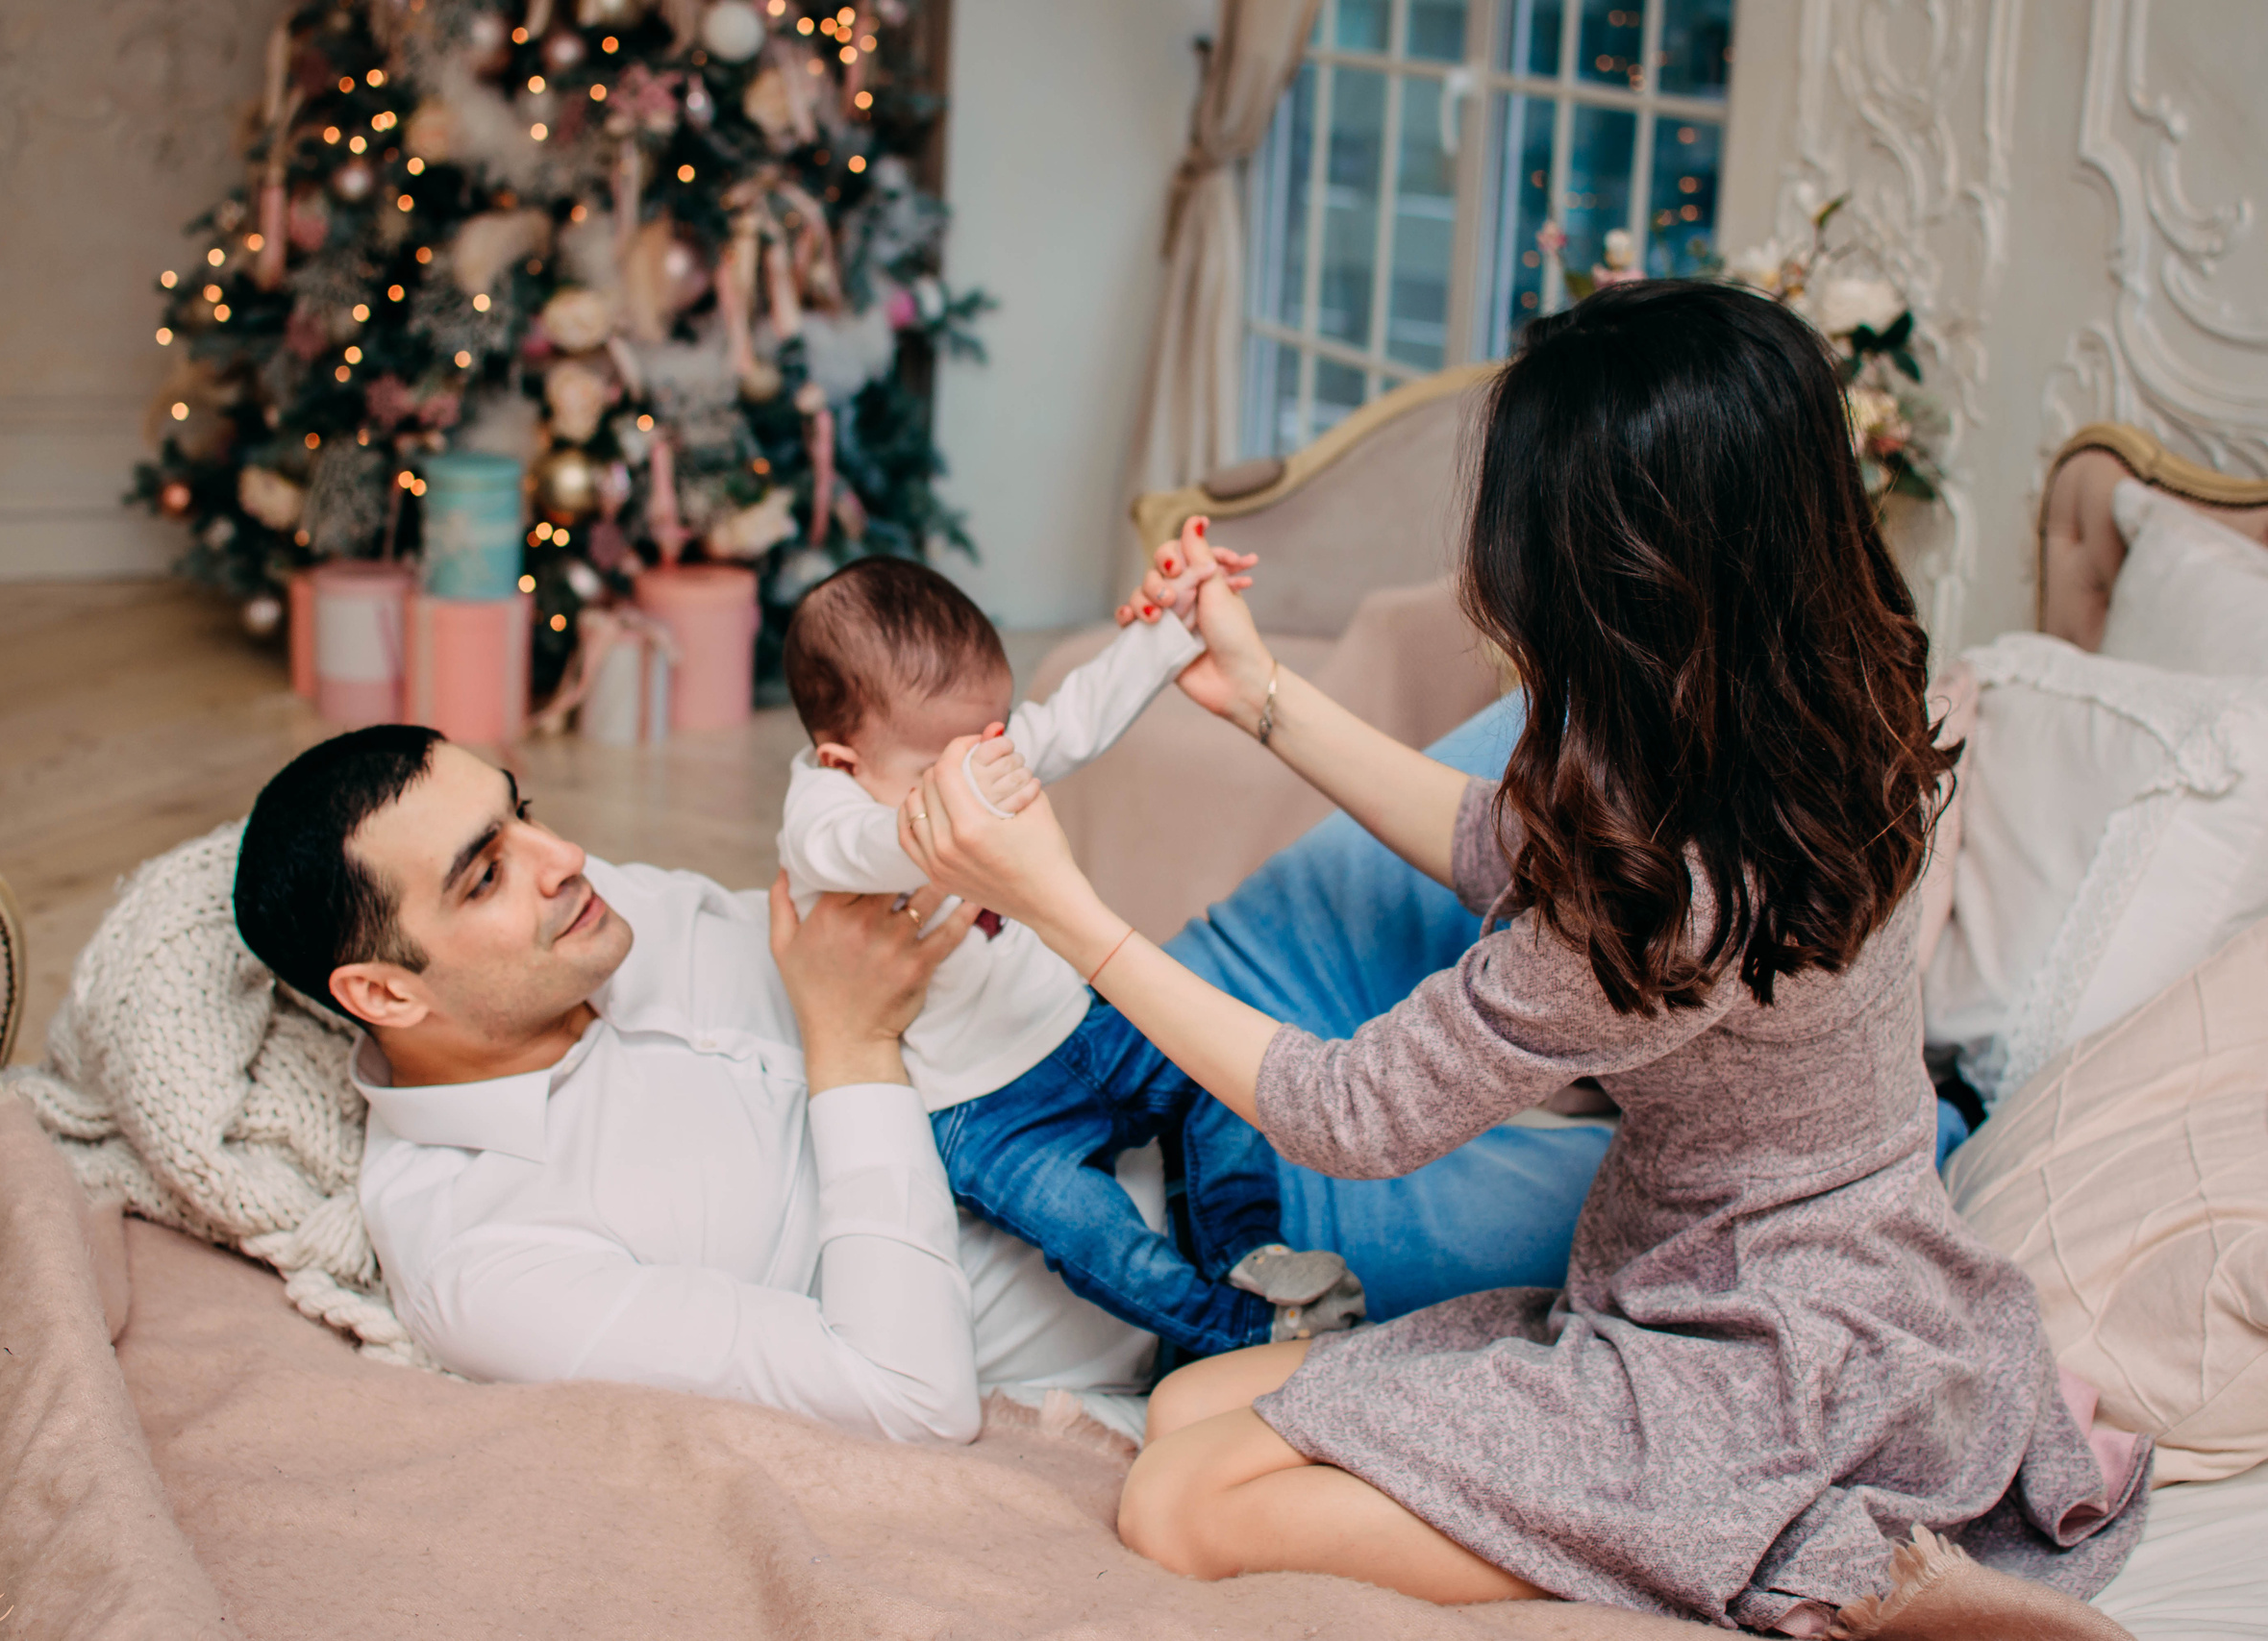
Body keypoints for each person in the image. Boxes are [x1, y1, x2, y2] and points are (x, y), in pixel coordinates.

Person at [891, 280, 2149, 1629]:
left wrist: (1062, 900)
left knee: (1177, 1502)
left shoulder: (1672, 892)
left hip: (1753, 1358)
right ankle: (1786, 1488)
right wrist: (1261, 693)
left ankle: (1834, 1564)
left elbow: (1347, 1110)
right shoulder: (1835, 719)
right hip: (1824, 1291)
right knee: (1192, 1400)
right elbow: (1512, 846)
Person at [230, 724, 1157, 1442]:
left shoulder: (593, 916)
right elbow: (911, 1399)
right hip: (1196, 1296)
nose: (564, 858)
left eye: (526, 812)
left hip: (1163, 1044)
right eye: (485, 875)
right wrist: (852, 1045)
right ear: (384, 991)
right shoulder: (487, 1260)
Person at [778, 555, 1365, 1356]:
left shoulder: (973, 756)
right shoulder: (823, 813)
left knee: (1218, 1078)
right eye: (936, 769)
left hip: (1077, 1019)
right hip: (983, 1106)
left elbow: (1074, 718)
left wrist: (1169, 626)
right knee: (1098, 1237)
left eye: (988, 737)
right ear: (845, 760)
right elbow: (858, 848)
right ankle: (1237, 1329)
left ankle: (1244, 1247)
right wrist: (944, 812)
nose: (980, 769)